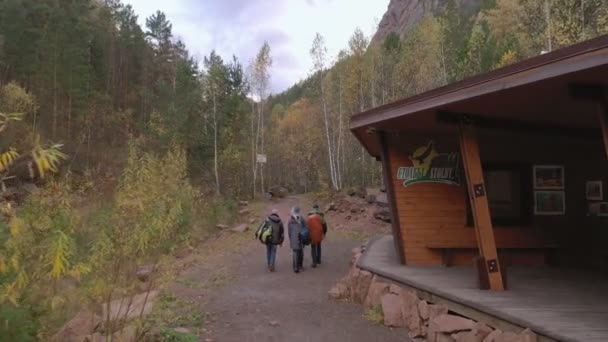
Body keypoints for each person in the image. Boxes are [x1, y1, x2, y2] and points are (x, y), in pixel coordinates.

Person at [288, 206, 306, 273]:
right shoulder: (301, 219)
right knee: (301, 253)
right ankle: (300, 266)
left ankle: (295, 267)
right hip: (301, 237)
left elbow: (289, 232)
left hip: (293, 238)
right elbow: (305, 228)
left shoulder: (290, 221)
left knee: (295, 252)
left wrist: (290, 239)